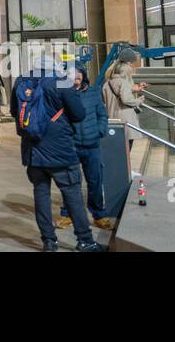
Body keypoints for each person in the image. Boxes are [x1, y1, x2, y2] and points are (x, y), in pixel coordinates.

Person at [12, 57, 105, 252]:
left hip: (33, 151)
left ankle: (48, 241)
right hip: (61, 150)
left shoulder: (21, 81)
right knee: (72, 194)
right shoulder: (62, 83)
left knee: (41, 194)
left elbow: (15, 112)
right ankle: (85, 240)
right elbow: (78, 114)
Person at [57, 67, 114, 231]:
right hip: (71, 146)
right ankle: (67, 214)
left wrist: (99, 131)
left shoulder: (93, 93)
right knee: (70, 183)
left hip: (92, 146)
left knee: (95, 181)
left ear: (83, 76)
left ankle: (99, 215)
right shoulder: (62, 94)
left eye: (79, 74)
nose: (76, 77)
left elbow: (102, 115)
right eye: (72, 74)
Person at [102, 48, 146, 151]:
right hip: (125, 119)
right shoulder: (124, 82)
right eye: (131, 65)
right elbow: (126, 100)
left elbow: (108, 100)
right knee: (126, 148)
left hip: (113, 118)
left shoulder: (107, 83)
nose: (132, 67)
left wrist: (134, 88)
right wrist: (139, 101)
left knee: (117, 149)